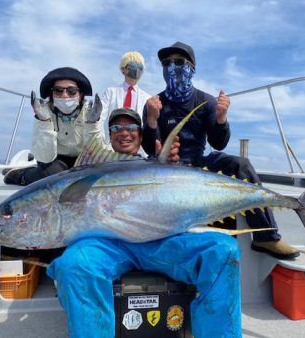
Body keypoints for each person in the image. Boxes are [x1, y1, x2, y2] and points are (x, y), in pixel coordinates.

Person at [46, 108, 242, 338]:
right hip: (105, 245)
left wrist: (169, 168)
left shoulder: (157, 163)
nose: (124, 133)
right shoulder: (88, 170)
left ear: (140, 135)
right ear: (110, 136)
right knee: (73, 264)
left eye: (131, 127)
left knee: (223, 250)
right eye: (116, 128)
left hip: (161, 241)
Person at [141, 41, 299, 260]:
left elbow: (219, 142)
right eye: (166, 63)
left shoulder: (206, 101)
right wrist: (151, 120)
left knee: (240, 164)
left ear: (192, 69)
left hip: (199, 164)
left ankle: (266, 236)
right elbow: (150, 148)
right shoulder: (153, 104)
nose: (172, 67)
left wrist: (222, 118)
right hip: (165, 169)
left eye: (179, 62)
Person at [4, 67, 104, 185]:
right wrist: (45, 121)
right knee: (54, 177)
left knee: (91, 176)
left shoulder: (92, 112)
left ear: (81, 94)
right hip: (54, 160)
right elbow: (44, 157)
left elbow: (96, 154)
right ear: (52, 93)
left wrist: (92, 124)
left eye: (71, 91)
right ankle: (21, 176)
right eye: (58, 90)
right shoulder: (43, 112)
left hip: (84, 160)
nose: (65, 95)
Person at [99, 51, 151, 145]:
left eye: (140, 66)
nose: (136, 69)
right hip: (113, 145)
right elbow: (99, 118)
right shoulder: (110, 92)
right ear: (123, 69)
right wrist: (102, 143)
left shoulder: (148, 98)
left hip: (138, 148)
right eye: (132, 65)